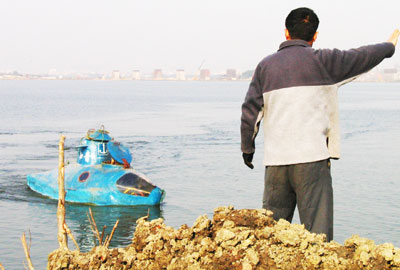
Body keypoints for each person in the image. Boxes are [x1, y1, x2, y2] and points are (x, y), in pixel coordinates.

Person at [240, 7, 399, 242]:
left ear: (286, 32)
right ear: (315, 35)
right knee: (318, 238)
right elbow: (362, 55)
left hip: (276, 163)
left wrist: (247, 149)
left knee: (270, 237)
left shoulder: (265, 66)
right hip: (312, 161)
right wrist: (390, 46)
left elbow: (250, 112)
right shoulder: (325, 61)